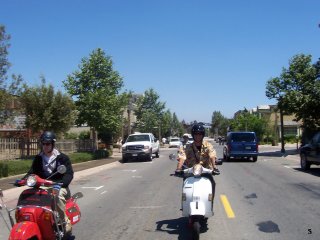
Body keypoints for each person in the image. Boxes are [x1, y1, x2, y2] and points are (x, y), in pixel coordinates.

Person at [20, 131, 74, 234]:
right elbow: (32, 172)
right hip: (43, 185)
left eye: (48, 144)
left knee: (57, 196)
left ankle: (64, 221)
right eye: (43, 143)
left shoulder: (63, 158)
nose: (45, 146)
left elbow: (69, 174)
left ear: (53, 144)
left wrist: (62, 183)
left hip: (59, 186)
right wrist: (22, 180)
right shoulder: (38, 158)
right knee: (27, 195)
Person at [176, 124, 219, 209]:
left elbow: (212, 155)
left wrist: (215, 167)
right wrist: (178, 168)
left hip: (205, 171)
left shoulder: (208, 145)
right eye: (196, 134)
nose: (198, 136)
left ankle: (210, 203)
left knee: (212, 184)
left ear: (202, 135)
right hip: (191, 171)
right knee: (185, 184)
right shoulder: (188, 147)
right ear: (193, 135)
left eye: (200, 134)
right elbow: (182, 157)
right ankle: (184, 203)